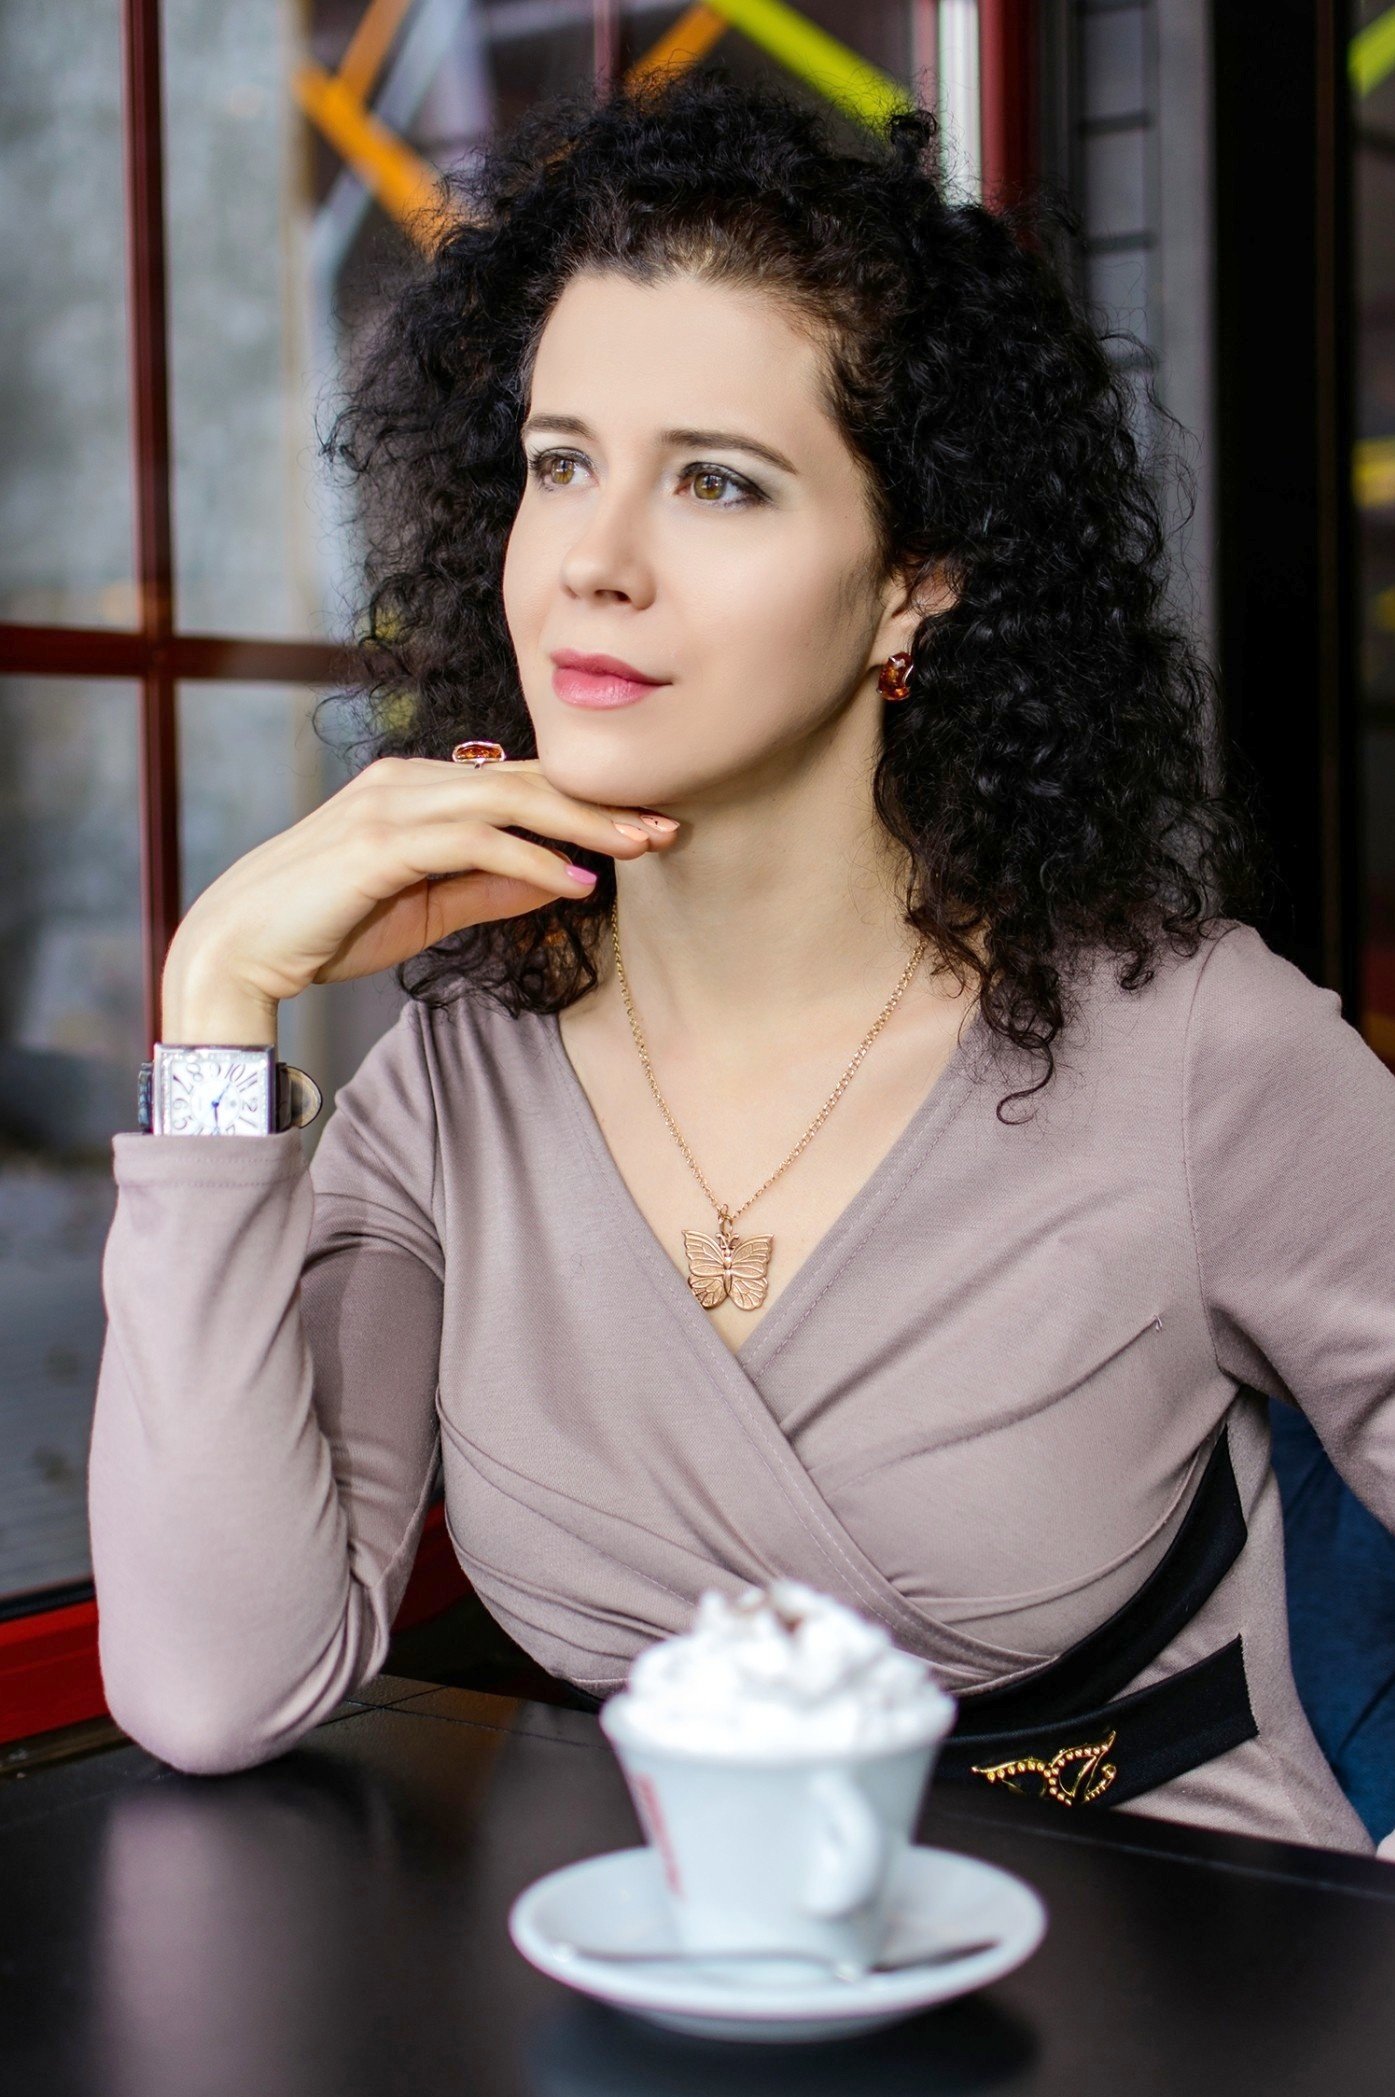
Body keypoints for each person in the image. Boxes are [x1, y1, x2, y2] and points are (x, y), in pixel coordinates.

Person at [89, 67, 1395, 1855]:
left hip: (1179, 1954)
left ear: (915, 579)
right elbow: (214, 1686)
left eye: (718, 481)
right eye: (561, 464)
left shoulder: (1199, 1047)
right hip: (651, 1965)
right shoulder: (453, 1082)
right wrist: (217, 998)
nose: (595, 562)